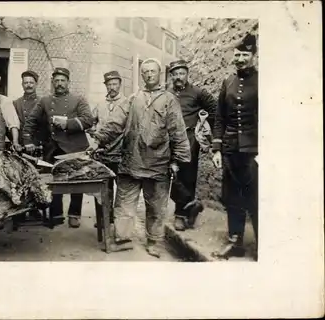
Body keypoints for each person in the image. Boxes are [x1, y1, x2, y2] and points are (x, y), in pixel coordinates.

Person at [90, 58, 190, 258]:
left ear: (159, 74)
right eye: (146, 71)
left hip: (158, 162)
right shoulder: (133, 99)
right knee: (124, 203)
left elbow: (178, 131)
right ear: (141, 75)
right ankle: (122, 237)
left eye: (153, 71)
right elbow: (115, 123)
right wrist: (98, 140)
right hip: (131, 161)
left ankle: (153, 241)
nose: (149, 74)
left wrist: (176, 161)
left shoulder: (169, 100)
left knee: (155, 206)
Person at [23, 67, 94, 228]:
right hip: (53, 147)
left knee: (77, 181)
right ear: (52, 82)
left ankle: (74, 214)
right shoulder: (45, 101)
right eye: (56, 81)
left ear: (68, 82)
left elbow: (88, 120)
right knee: (54, 181)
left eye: (63, 80)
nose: (59, 84)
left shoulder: (79, 99)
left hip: (75, 147)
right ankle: (56, 213)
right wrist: (27, 140)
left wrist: (67, 123)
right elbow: (31, 121)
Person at [211, 34, 259, 260]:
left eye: (245, 55)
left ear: (253, 56)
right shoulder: (227, 82)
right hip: (230, 149)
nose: (240, 59)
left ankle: (263, 244)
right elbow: (219, 118)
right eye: (237, 55)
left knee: (256, 196)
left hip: (255, 152)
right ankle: (235, 241)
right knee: (232, 196)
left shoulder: (262, 82)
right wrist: (217, 149)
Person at [167, 59, 217, 231]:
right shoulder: (166, 93)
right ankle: (192, 205)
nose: (179, 77)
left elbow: (214, 109)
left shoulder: (197, 92)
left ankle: (181, 216)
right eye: (175, 74)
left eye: (182, 73)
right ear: (171, 76)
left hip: (189, 140)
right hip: (169, 140)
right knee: (172, 176)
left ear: (187, 74)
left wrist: (203, 128)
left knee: (186, 177)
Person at [87, 70, 128, 229]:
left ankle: (119, 220)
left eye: (115, 84)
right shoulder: (100, 105)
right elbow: (90, 122)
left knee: (123, 189)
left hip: (121, 154)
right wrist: (93, 132)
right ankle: (105, 217)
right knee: (104, 188)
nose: (112, 87)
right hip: (103, 153)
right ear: (105, 86)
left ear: (120, 85)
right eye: (109, 84)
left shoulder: (126, 103)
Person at [12, 70, 48, 147]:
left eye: (31, 83)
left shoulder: (43, 101)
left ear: (36, 84)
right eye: (26, 83)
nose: (28, 85)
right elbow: (13, 125)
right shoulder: (16, 103)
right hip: (22, 144)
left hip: (39, 144)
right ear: (22, 85)